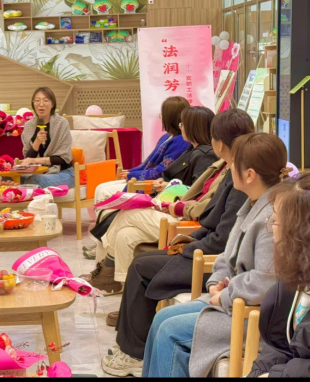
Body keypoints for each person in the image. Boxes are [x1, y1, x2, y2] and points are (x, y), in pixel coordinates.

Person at [101, 109, 254, 376]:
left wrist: (187, 246)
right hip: (205, 250)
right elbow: (214, 224)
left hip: (208, 261)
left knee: (140, 267)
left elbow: (222, 240)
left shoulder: (240, 179)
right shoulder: (230, 171)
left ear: (219, 142)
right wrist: (186, 241)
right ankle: (130, 345)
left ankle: (134, 353)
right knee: (139, 259)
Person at [137, 133, 287, 378]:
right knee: (161, 318)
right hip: (233, 301)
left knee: (169, 332)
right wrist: (215, 283)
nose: (229, 168)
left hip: (252, 315)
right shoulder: (252, 204)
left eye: (233, 164)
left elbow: (265, 281)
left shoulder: (273, 218)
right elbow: (226, 256)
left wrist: (224, 294)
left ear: (250, 175)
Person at [82, 108, 251, 295]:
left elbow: (206, 207)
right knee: (125, 235)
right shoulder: (216, 162)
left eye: (183, 124)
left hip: (186, 221)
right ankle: (118, 284)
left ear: (220, 142)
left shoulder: (220, 165)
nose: (180, 127)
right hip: (180, 210)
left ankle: (105, 266)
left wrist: (174, 205)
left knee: (126, 214)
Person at [247, 172, 310, 377]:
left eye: (275, 221)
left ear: (300, 232)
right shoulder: (293, 280)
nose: (271, 231)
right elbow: (278, 346)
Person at [20, 87, 75, 189]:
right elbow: (28, 158)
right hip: (39, 172)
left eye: (45, 100)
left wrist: (36, 161)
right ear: (33, 104)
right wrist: (37, 142)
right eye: (37, 100)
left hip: (63, 173)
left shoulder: (61, 123)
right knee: (13, 178)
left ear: (52, 104)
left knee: (34, 181)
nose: (41, 104)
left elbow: (63, 158)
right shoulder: (29, 125)